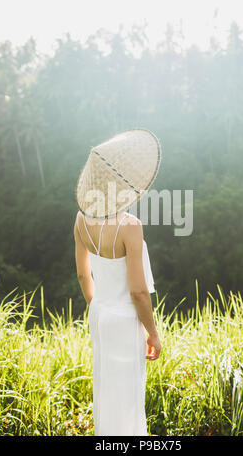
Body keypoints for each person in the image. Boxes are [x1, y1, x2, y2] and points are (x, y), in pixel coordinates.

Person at [74, 129, 162, 436]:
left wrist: (98, 305)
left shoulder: (80, 219)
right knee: (127, 398)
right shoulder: (130, 227)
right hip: (125, 320)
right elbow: (138, 292)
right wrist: (153, 333)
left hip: (98, 314)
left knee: (107, 391)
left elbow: (84, 274)